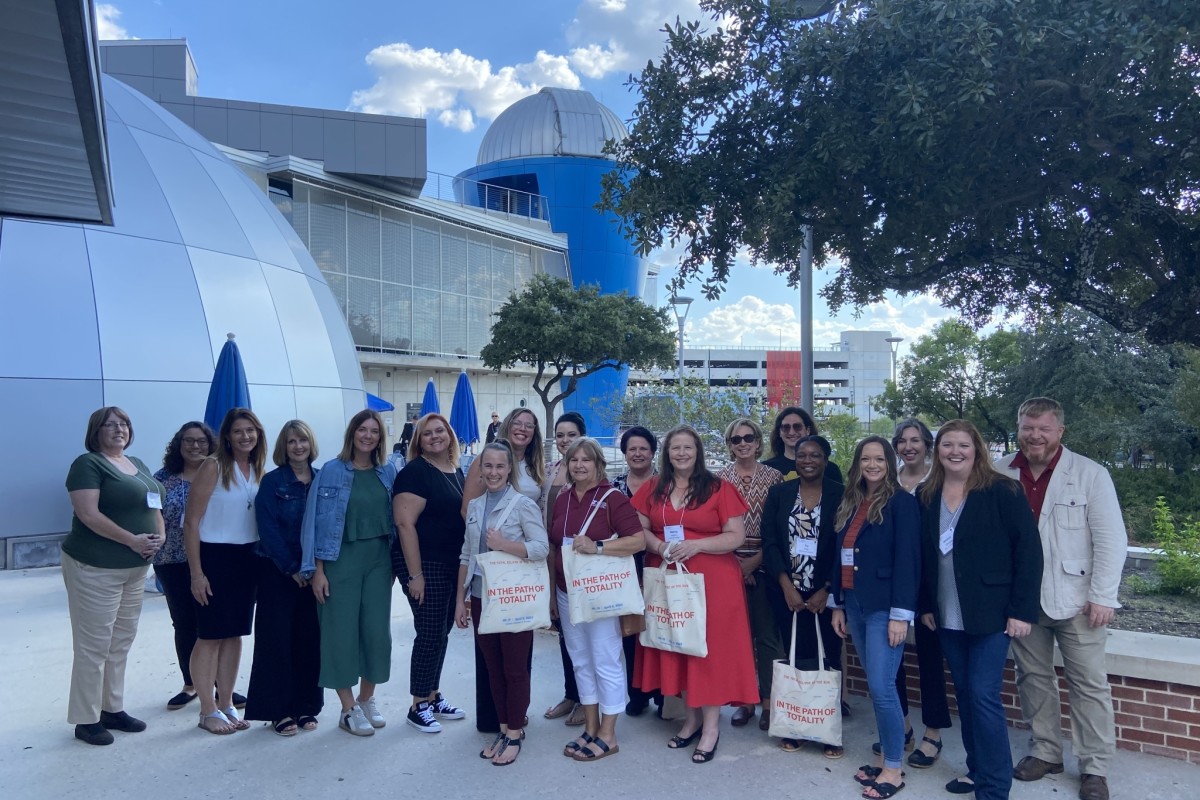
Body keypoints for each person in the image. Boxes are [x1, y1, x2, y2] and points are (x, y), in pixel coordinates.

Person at [997, 397, 1126, 800]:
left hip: (1077, 600)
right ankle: (1046, 751)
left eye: (1044, 428)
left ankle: (1094, 768)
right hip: (1022, 600)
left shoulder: (1090, 474)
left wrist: (1103, 595)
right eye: (1028, 427)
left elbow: (1111, 539)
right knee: (1033, 679)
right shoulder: (1000, 472)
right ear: (1018, 427)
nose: (1035, 435)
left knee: (1088, 685)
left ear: (1060, 432)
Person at [917, 420, 1043, 800]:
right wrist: (925, 605)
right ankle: (976, 771)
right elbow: (922, 556)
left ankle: (994, 787)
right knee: (965, 692)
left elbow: (1029, 552)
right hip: (947, 613)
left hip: (991, 613)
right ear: (937, 450)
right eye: (947, 445)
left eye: (963, 445)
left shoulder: (1003, 490)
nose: (955, 451)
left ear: (977, 450)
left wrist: (1021, 610)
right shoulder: (927, 493)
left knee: (983, 694)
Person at [632, 425, 757, 765]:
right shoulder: (653, 488)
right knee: (679, 645)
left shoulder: (719, 487)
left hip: (714, 581)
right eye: (676, 448)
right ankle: (691, 719)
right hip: (668, 576)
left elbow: (735, 536)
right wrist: (659, 545)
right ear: (667, 453)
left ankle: (712, 727)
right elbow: (638, 527)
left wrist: (695, 545)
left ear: (698, 451)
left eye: (688, 447)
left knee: (708, 652)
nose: (682, 453)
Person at [63, 407, 165, 745]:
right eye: (110, 425)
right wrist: (132, 540)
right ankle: (85, 719)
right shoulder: (88, 464)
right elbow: (88, 514)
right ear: (96, 431)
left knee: (120, 641)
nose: (119, 429)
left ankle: (111, 708)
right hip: (95, 568)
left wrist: (159, 536)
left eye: (124, 424)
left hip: (134, 570)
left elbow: (154, 507)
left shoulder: (138, 465)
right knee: (94, 645)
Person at [829, 436, 920, 800]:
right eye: (866, 459)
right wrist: (838, 603)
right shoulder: (852, 502)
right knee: (877, 685)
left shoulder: (902, 504)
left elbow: (909, 562)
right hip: (855, 604)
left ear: (890, 462)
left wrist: (901, 615)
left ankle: (894, 769)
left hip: (885, 609)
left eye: (879, 459)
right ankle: (885, 756)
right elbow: (842, 554)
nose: (872, 465)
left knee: (883, 690)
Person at [301, 409, 398, 737]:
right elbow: (312, 522)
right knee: (339, 633)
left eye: (374, 431)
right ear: (352, 433)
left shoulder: (388, 472)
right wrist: (316, 570)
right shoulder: (331, 471)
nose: (368, 436)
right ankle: (346, 708)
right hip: (339, 561)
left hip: (379, 562)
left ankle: (366, 698)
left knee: (375, 633)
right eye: (362, 429)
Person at [550, 438, 646, 762]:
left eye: (585, 460)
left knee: (606, 659)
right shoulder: (562, 499)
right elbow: (554, 547)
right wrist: (553, 592)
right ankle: (590, 727)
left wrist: (599, 546)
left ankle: (609, 733)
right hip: (567, 592)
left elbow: (637, 540)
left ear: (598, 464)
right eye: (573, 459)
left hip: (599, 593)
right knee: (580, 660)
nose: (579, 465)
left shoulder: (612, 498)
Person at [454, 440, 549, 765]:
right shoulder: (476, 506)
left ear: (510, 470)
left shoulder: (522, 505)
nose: (493, 472)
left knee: (514, 669)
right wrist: (460, 600)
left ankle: (515, 733)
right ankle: (505, 727)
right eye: (488, 466)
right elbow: (466, 555)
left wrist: (505, 545)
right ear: (480, 470)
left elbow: (541, 548)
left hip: (513, 599)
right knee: (493, 669)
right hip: (481, 599)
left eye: (499, 466)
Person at [761, 434, 845, 757]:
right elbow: (770, 542)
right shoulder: (780, 493)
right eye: (802, 455)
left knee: (829, 658)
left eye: (815, 455)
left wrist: (827, 589)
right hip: (787, 592)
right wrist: (786, 585)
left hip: (825, 593)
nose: (807, 460)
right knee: (796, 657)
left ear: (826, 459)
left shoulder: (840, 495)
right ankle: (796, 726)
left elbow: (843, 548)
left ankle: (828, 731)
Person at [185, 407, 266, 735]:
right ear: (228, 437)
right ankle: (207, 709)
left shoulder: (259, 469)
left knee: (234, 635)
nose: (245, 436)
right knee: (210, 636)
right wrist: (196, 573)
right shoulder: (213, 466)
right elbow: (190, 523)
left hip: (248, 558)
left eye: (251, 430)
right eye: (238, 431)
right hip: (214, 558)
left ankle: (227, 701)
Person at [882, 418, 951, 767]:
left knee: (928, 660)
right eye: (902, 441)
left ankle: (933, 733)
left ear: (927, 444)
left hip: (929, 585)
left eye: (915, 440)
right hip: (891, 584)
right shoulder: (886, 482)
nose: (909, 446)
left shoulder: (938, 483)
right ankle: (903, 726)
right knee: (892, 662)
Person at [393, 412, 468, 733]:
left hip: (450, 561)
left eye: (440, 431)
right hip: (425, 564)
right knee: (428, 632)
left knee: (442, 631)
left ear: (449, 434)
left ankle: (433, 695)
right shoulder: (415, 473)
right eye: (427, 433)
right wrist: (415, 575)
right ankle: (417, 704)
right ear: (418, 441)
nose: (435, 436)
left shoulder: (456, 470)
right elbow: (404, 524)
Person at [246, 420, 323, 735]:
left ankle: (306, 706)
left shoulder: (322, 480)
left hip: (314, 572)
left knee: (309, 641)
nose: (298, 446)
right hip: (278, 572)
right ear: (283, 446)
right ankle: (279, 711)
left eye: (303, 440)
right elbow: (268, 530)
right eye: (291, 441)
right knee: (276, 641)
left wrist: (314, 568)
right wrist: (292, 568)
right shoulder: (273, 482)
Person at [716, 418, 784, 732]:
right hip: (728, 567)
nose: (742, 443)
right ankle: (744, 701)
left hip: (765, 564)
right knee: (737, 639)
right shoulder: (718, 480)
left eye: (748, 438)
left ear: (758, 442)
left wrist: (754, 563)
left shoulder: (775, 477)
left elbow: (780, 528)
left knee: (767, 638)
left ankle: (768, 703)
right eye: (736, 439)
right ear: (729, 446)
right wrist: (735, 567)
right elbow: (715, 527)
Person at [152, 421, 216, 712]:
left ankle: (218, 685)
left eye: (201, 441)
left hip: (211, 559)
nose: (195, 446)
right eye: (188, 441)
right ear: (178, 445)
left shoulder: (219, 475)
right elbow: (151, 515)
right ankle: (190, 684)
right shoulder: (162, 479)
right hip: (172, 560)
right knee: (184, 622)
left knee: (214, 623)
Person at [541, 410, 587, 727]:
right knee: (564, 634)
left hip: (583, 566)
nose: (565, 440)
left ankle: (588, 699)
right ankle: (571, 693)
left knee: (586, 636)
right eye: (560, 435)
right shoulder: (548, 471)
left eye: (571, 434)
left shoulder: (591, 471)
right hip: (552, 556)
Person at [611, 426, 659, 716]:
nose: (638, 453)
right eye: (632, 449)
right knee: (630, 631)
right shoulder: (614, 487)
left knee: (663, 626)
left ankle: (665, 694)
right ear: (625, 454)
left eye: (643, 448)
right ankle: (637, 692)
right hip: (624, 567)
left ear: (653, 452)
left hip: (660, 563)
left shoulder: (668, 484)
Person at [763, 406, 843, 483]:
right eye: (786, 427)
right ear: (779, 432)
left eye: (797, 427)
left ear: (808, 430)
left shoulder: (829, 469)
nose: (791, 432)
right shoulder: (766, 468)